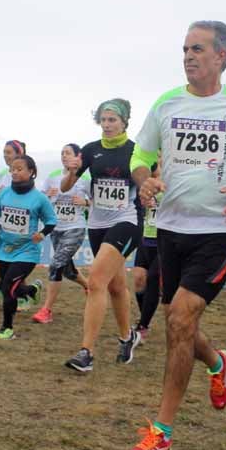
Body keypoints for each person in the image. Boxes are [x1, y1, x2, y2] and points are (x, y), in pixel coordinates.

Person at [126, 20, 226, 450]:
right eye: (184, 49)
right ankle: (217, 363)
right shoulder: (166, 103)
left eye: (198, 49)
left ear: (222, 55)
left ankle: (161, 434)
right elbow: (140, 155)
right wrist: (145, 179)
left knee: (179, 319)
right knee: (177, 323)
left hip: (218, 231)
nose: (189, 57)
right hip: (171, 229)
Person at [63, 99, 142, 372]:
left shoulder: (136, 151)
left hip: (127, 220)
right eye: (103, 120)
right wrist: (72, 171)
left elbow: (153, 176)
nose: (107, 125)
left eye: (112, 120)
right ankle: (127, 336)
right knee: (115, 286)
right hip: (97, 223)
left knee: (96, 280)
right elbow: (66, 185)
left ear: (124, 122)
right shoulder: (90, 150)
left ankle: (86, 353)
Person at [0, 155, 55, 340]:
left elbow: (51, 221)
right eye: (12, 169)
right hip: (6, 249)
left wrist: (42, 234)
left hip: (27, 252)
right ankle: (32, 291)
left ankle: (7, 328)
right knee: (6, 286)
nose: (15, 172)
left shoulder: (39, 198)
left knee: (9, 287)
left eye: (19, 169)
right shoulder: (4, 194)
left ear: (31, 172)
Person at [32, 144, 91, 324]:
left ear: (77, 157)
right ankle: (89, 286)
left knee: (56, 264)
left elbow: (99, 201)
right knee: (66, 269)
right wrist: (47, 196)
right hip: (57, 228)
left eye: (68, 153)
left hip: (76, 227)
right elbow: (40, 200)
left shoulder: (86, 177)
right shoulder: (53, 177)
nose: (64, 156)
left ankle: (46, 310)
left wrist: (86, 201)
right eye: (62, 153)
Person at [0, 140, 27, 305]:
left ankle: (23, 296)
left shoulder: (24, 176)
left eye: (8, 152)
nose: (5, 155)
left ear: (18, 154)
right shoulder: (3, 173)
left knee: (11, 263)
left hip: (16, 226)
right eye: (4, 151)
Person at [133, 165, 163, 342]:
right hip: (146, 239)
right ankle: (145, 317)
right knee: (138, 280)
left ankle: (143, 325)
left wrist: (159, 202)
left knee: (152, 280)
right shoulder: (142, 184)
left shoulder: (171, 181)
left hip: (164, 241)